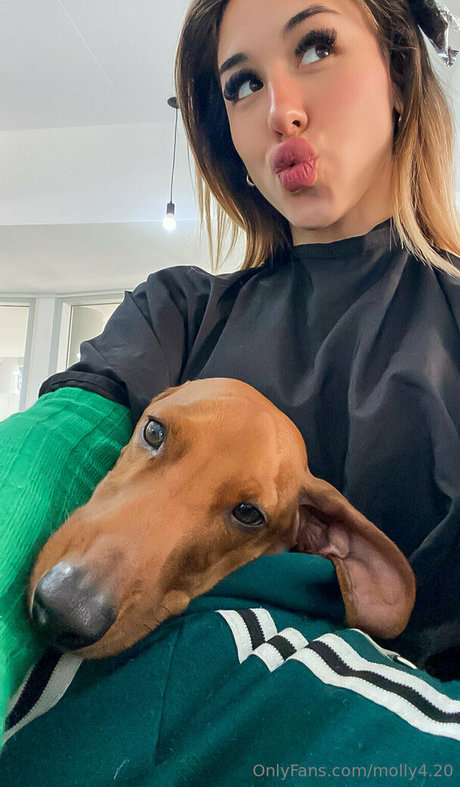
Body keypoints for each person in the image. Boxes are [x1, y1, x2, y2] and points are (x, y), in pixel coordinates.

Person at [0, 0, 460, 782]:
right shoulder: (178, 310)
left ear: (398, 72)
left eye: (315, 46)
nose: (279, 110)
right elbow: (42, 463)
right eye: (242, 84)